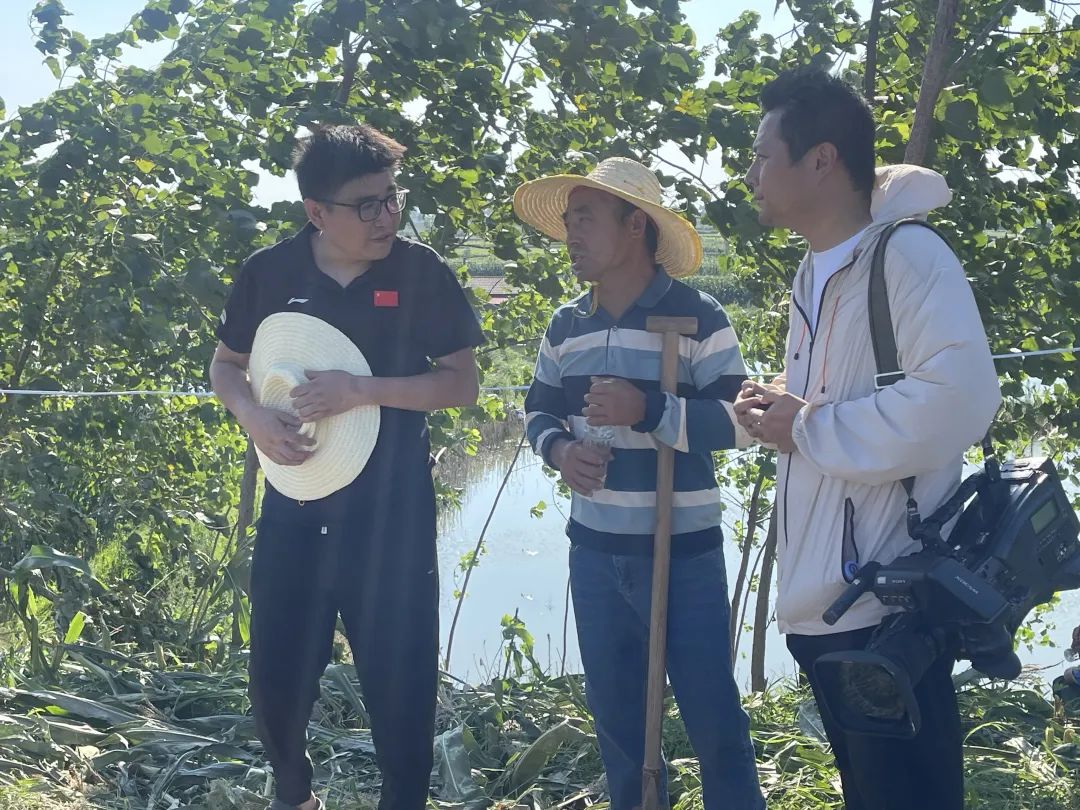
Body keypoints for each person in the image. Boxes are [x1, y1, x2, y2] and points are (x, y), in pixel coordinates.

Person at [734, 67, 1002, 809]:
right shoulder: (813, 271)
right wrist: (781, 416)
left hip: (885, 609)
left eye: (762, 154)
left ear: (821, 160)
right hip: (828, 605)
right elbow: (840, 410)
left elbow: (963, 400)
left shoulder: (909, 257)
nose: (750, 172)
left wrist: (810, 425)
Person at [209, 124, 484, 810]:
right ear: (316, 212)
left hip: (392, 517)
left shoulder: (422, 273)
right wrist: (252, 417)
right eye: (368, 205)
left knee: (401, 680)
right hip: (295, 508)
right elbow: (225, 365)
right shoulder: (268, 273)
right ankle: (294, 793)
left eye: (392, 199)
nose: (387, 216)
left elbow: (460, 383)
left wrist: (364, 390)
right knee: (276, 674)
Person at [516, 157, 764, 810]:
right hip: (594, 553)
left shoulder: (698, 317)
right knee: (619, 725)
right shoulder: (566, 325)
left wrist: (648, 410)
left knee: (714, 720)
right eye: (568, 221)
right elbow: (536, 411)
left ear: (634, 226)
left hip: (682, 553)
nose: (570, 234)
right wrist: (561, 449)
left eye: (584, 220)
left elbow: (744, 423)